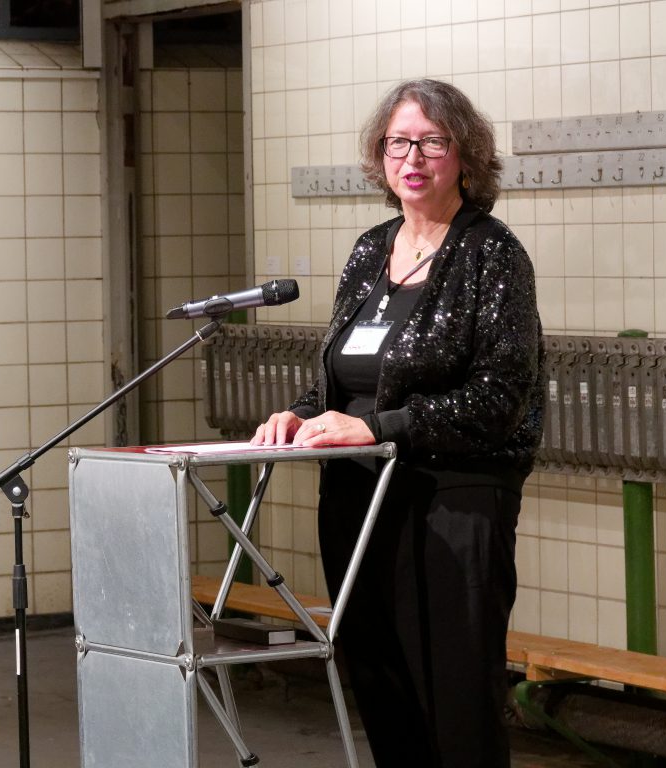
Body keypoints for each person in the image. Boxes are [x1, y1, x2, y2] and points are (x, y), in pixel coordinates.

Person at [251, 78, 544, 768]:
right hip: (356, 503)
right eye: (397, 143)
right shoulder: (369, 250)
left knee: (454, 708)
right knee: (383, 692)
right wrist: (297, 416)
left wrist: (383, 427)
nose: (412, 157)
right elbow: (338, 377)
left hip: (450, 508)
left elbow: (500, 398)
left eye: (431, 142)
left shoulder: (491, 255)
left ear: (465, 156)